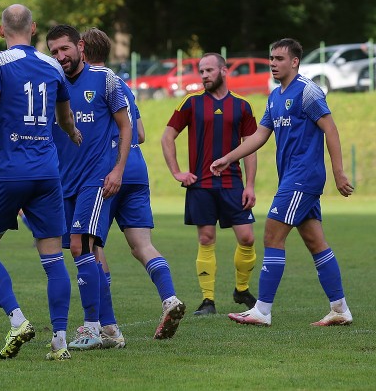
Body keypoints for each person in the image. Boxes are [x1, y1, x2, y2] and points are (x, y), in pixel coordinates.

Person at [0, 4, 82, 361]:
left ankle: (17, 320)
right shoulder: (52, 66)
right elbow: (65, 117)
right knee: (53, 259)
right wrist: (73, 132)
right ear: (34, 28)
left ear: (2, 30)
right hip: (47, 173)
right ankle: (60, 342)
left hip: (8, 172)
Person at [211, 38, 354, 327]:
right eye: (271, 58)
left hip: (303, 177)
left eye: (279, 58)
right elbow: (260, 135)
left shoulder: (308, 91)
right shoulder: (275, 96)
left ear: (294, 61)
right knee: (315, 241)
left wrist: (339, 172)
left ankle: (262, 310)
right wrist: (229, 157)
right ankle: (340, 309)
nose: (273, 63)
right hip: (292, 177)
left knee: (272, 235)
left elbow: (330, 129)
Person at [81, 28, 186, 342]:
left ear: (82, 50)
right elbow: (139, 133)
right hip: (136, 169)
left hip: (107, 170)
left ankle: (107, 324)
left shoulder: (89, 84)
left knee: (92, 248)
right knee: (142, 245)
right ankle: (169, 298)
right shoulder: (122, 85)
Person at [46, 24, 132, 350]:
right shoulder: (51, 84)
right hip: (63, 182)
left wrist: (118, 170)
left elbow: (126, 127)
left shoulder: (105, 80)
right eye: (54, 51)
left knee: (81, 245)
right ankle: (110, 329)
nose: (60, 56)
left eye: (64, 49)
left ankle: (92, 328)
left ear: (80, 46)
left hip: (95, 179)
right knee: (88, 253)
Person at [161, 53, 258, 316]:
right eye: (201, 71)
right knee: (206, 238)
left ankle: (241, 289)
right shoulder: (191, 103)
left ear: (224, 71)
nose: (204, 75)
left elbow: (251, 147)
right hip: (200, 185)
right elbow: (167, 137)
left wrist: (250, 185)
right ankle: (208, 301)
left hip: (233, 183)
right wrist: (177, 172)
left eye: (209, 70)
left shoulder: (242, 106)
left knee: (247, 238)